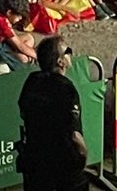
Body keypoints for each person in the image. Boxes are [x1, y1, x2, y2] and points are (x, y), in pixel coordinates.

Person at [16, 34, 87, 191]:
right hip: (63, 165)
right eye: (68, 51)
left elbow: (23, 111)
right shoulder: (66, 88)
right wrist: (83, 155)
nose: (71, 53)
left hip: (35, 162)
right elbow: (75, 136)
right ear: (60, 61)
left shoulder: (32, 81)